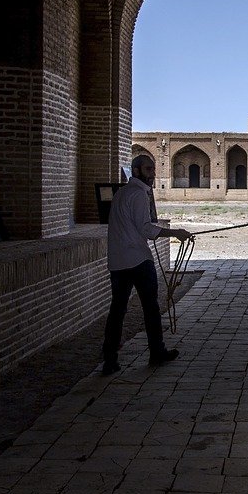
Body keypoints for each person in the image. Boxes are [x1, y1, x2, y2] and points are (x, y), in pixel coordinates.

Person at [102, 154, 192, 376]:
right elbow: (146, 229)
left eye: (153, 169)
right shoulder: (139, 194)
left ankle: (109, 359)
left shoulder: (121, 193)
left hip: (118, 261)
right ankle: (157, 352)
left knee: (117, 310)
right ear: (136, 171)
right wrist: (176, 233)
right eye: (148, 169)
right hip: (138, 260)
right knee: (150, 308)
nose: (152, 173)